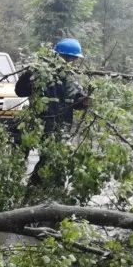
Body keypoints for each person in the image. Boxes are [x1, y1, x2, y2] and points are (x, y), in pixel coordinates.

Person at [14, 37, 91, 187]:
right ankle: (23, 186)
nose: (71, 61)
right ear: (59, 56)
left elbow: (76, 100)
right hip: (38, 122)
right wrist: (29, 73)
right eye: (69, 58)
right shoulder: (39, 72)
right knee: (22, 154)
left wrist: (84, 101)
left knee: (51, 159)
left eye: (73, 59)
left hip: (61, 125)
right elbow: (20, 91)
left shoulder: (70, 78)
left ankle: (37, 188)